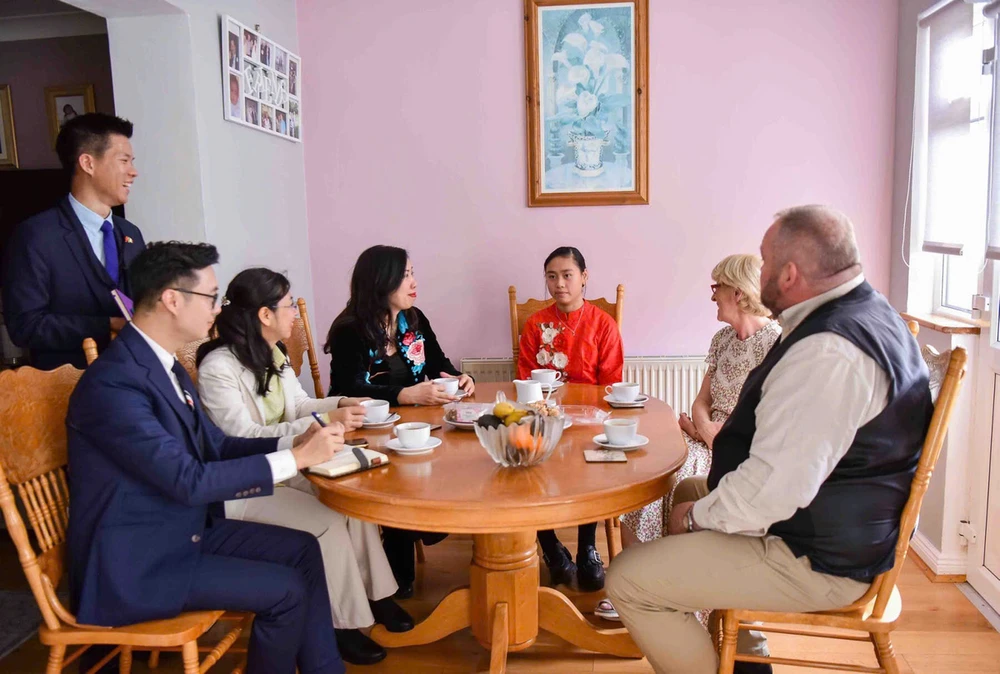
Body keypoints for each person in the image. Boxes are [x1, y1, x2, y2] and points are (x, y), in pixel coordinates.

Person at [606, 205, 933, 674]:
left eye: (765, 261)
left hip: (819, 557)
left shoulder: (829, 351)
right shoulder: (865, 311)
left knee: (628, 581)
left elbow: (774, 490)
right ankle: (744, 649)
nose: (758, 273)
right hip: (838, 520)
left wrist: (696, 520)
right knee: (685, 488)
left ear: (790, 273)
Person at [67, 242, 348, 674]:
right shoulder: (114, 385)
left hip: (182, 531)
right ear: (172, 300)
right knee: (286, 591)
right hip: (138, 563)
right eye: (211, 297)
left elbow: (214, 446)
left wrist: (294, 448)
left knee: (305, 551)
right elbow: (189, 480)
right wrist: (295, 460)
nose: (219, 309)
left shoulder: (165, 367)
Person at [196, 268, 413, 666]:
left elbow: (298, 405)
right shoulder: (218, 369)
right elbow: (242, 435)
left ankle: (376, 596)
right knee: (327, 521)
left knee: (355, 499)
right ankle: (341, 624)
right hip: (245, 484)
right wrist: (321, 426)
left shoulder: (271, 351)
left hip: (287, 464)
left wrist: (342, 403)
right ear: (264, 315)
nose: (294, 314)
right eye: (286, 305)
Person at [597, 255, 780, 622]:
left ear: (739, 293)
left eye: (718, 288)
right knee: (645, 478)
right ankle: (634, 588)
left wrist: (712, 434)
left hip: (742, 450)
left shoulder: (774, 343)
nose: (712, 295)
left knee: (676, 482)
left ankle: (678, 592)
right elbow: (701, 401)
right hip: (708, 437)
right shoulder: (723, 339)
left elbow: (769, 421)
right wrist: (704, 429)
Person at [325, 245, 473, 597]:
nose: (414, 282)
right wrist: (404, 395)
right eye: (406, 275)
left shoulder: (413, 319)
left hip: (417, 426)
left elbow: (439, 362)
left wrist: (460, 377)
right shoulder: (350, 329)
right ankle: (397, 568)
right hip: (366, 430)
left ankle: (420, 526)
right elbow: (348, 387)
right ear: (381, 280)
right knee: (401, 476)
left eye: (412, 273)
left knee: (454, 461)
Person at [517, 246, 624, 592]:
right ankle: (550, 548)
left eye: (567, 275)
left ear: (584, 278)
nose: (559, 283)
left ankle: (588, 548)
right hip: (544, 418)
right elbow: (525, 381)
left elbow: (611, 384)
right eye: (552, 276)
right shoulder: (536, 324)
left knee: (591, 466)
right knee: (526, 465)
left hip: (589, 419)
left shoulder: (603, 324)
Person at [2, 113, 144, 369]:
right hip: (66, 389)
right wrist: (108, 325)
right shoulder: (36, 236)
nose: (133, 172)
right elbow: (25, 326)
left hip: (133, 376)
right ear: (88, 163)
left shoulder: (131, 233)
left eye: (132, 162)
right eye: (124, 161)